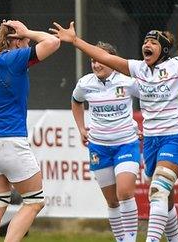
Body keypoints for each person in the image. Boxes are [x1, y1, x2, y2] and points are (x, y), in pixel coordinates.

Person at [51, 21, 178, 242]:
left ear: (164, 49)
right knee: (164, 198)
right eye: (145, 41)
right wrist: (75, 40)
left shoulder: (177, 67)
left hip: (176, 138)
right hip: (150, 141)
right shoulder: (138, 69)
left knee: (157, 191)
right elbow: (106, 57)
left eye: (152, 42)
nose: (146, 44)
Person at [0, 20, 60, 242]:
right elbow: (53, 42)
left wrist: (21, 36)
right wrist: (28, 31)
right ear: (15, 41)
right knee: (35, 202)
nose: (29, 43)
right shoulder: (13, 59)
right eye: (25, 40)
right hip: (9, 141)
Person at [71, 42, 141, 242]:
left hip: (126, 143)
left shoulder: (127, 81)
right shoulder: (85, 83)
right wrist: (81, 128)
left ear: (111, 60)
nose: (96, 65)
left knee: (125, 192)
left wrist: (146, 125)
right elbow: (76, 101)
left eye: (100, 60)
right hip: (99, 147)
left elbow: (149, 98)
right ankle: (121, 239)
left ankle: (130, 240)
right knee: (112, 201)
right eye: (93, 61)